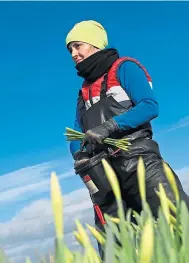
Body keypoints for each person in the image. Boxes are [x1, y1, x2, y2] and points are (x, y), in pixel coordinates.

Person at [65, 20, 189, 259]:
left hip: (140, 162)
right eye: (69, 49)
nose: (73, 54)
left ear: (94, 43)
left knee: (177, 219)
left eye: (77, 46)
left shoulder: (124, 68)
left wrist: (111, 126)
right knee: (113, 246)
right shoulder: (84, 90)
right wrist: (79, 155)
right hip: (104, 175)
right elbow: (76, 132)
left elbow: (149, 106)